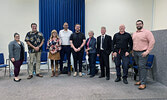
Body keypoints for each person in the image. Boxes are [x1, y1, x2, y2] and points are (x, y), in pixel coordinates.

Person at [132, 20, 155, 90]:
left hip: (143, 52)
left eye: (139, 24)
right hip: (135, 52)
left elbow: (152, 41)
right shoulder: (134, 33)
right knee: (139, 67)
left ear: (142, 24)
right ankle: (140, 80)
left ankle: (143, 83)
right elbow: (134, 43)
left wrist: (147, 51)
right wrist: (133, 52)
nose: (138, 25)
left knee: (142, 67)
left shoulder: (147, 32)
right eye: (137, 24)